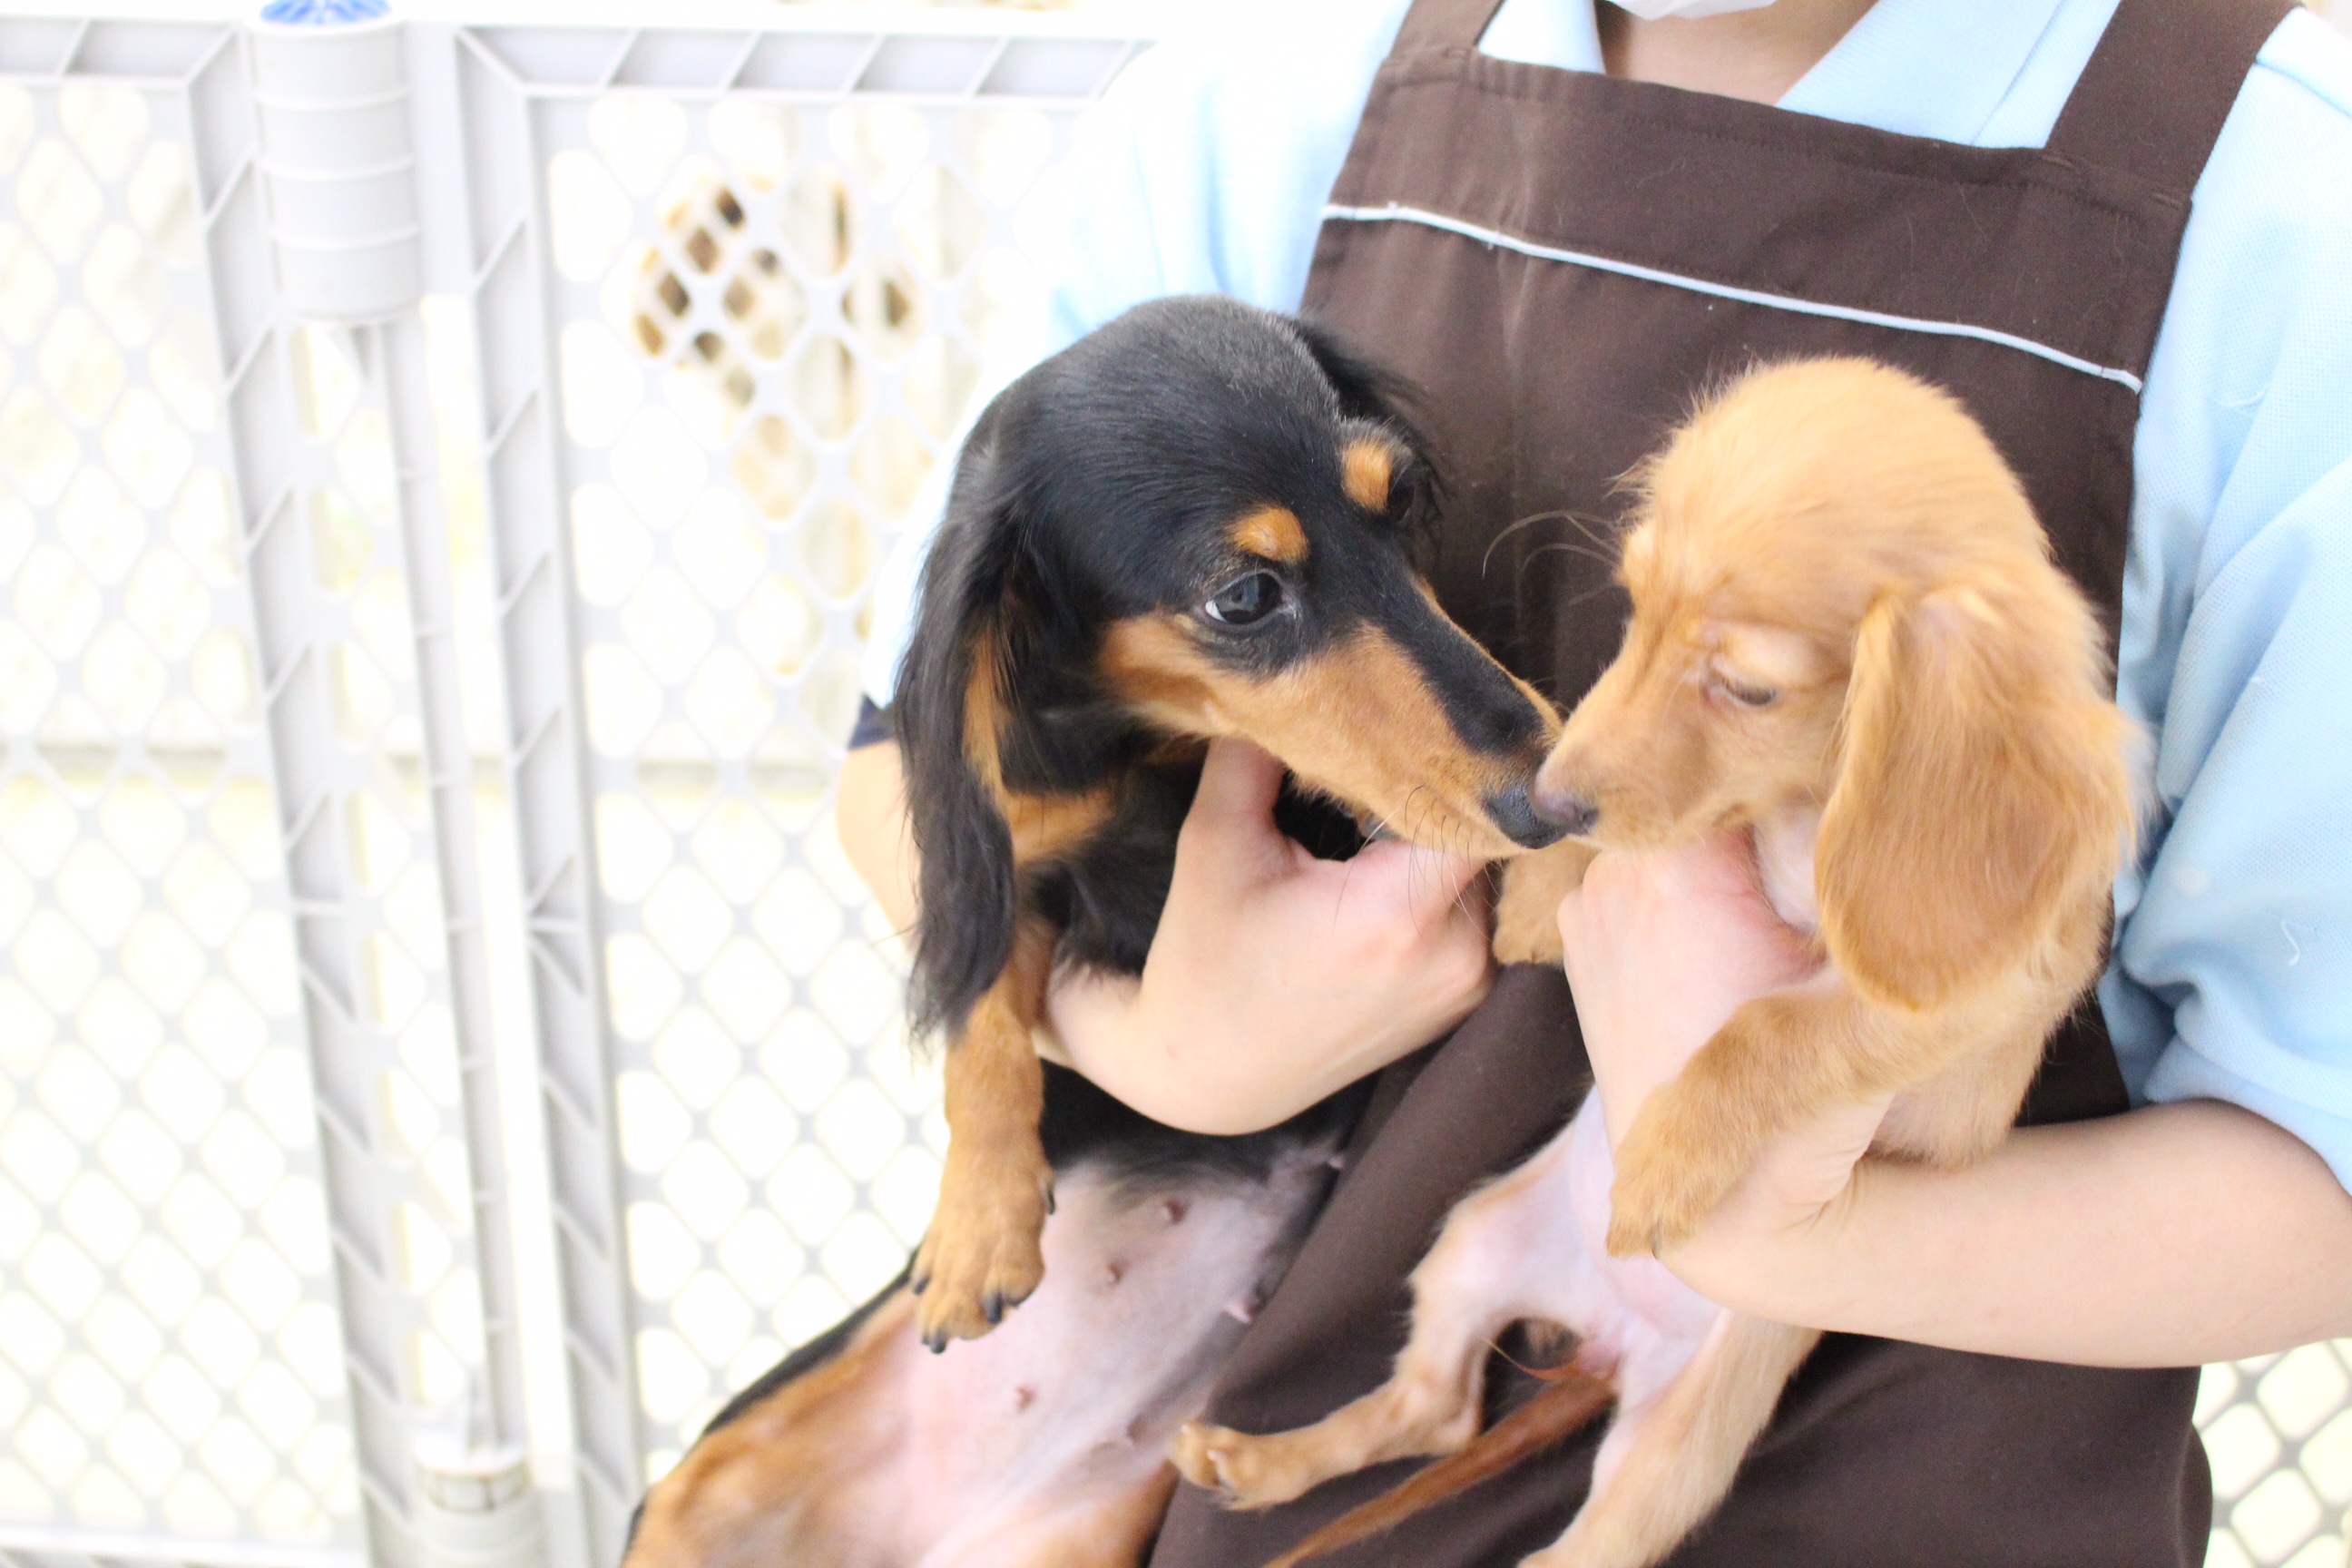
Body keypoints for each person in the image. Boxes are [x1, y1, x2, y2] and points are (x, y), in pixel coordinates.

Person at [834, 0, 2352, 1562]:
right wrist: (1154, 1050)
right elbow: (908, 754)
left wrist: (1800, 1237)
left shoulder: (2285, 203)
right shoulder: (1258, 99)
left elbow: (2325, 1165)